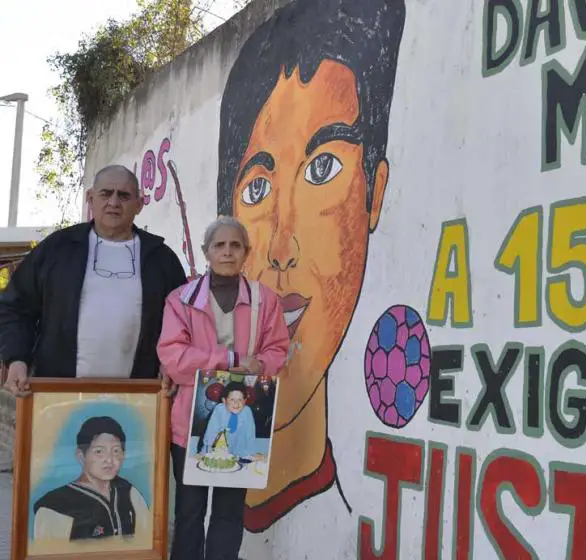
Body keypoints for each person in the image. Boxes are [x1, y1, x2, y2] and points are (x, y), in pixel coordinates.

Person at [215, 0, 406, 530]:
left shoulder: (349, 523)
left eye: (322, 169)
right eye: (257, 189)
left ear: (374, 194)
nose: (282, 246)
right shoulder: (193, 306)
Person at [157, 216, 289, 560]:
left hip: (243, 422)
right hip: (190, 423)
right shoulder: (181, 300)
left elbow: (277, 349)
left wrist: (262, 364)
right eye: (219, 245)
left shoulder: (265, 300)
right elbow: (173, 357)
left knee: (229, 513)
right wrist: (231, 360)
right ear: (206, 252)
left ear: (247, 252)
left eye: (235, 245)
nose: (227, 252)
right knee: (189, 512)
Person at [0, 165, 187, 394]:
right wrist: (17, 359)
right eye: (106, 193)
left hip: (140, 397)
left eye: (124, 196)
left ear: (139, 204)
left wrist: (171, 363)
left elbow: (184, 321)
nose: (114, 202)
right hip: (57, 392)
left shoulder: (161, 259)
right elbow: (16, 307)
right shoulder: (57, 249)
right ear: (90, 199)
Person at [33, 416, 150, 541]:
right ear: (81, 456)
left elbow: (147, 540)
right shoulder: (54, 507)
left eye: (116, 451)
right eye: (99, 452)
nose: (109, 460)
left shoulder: (130, 493)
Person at [200, 381, 263, 462]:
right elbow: (211, 433)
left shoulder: (247, 411)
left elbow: (250, 435)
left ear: (245, 401)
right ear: (224, 400)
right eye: (232, 399)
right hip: (217, 451)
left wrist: (252, 453)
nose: (236, 403)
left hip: (240, 454)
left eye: (240, 400)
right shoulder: (219, 409)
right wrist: (207, 453)